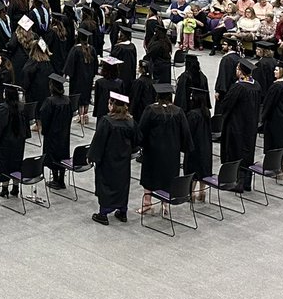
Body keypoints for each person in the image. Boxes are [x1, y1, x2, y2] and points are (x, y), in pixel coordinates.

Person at [137, 83, 191, 215]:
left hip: (153, 152)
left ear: (157, 96)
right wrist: (183, 147)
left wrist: (141, 144)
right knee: (168, 178)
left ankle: (147, 204)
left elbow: (142, 130)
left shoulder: (150, 110)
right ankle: (165, 204)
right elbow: (185, 132)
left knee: (149, 177)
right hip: (172, 153)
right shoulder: (178, 111)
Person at [88, 88, 139, 224]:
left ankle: (103, 214)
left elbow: (99, 141)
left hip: (108, 161)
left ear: (112, 105)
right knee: (122, 185)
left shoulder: (106, 121)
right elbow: (137, 140)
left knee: (106, 185)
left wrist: (92, 157)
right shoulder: (130, 121)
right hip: (123, 161)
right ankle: (122, 212)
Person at [219, 59, 260, 190]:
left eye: (237, 68)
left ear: (241, 71)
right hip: (251, 126)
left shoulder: (239, 87)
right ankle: (246, 182)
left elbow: (226, 105)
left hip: (237, 126)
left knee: (235, 152)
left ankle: (236, 183)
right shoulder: (256, 85)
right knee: (247, 152)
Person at [0, 85, 29, 199]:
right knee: (16, 162)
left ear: (6, 95)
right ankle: (15, 187)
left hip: (5, 142)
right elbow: (26, 127)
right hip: (18, 142)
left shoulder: (2, 109)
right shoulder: (22, 107)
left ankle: (5, 188)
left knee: (4, 164)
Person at [39, 75, 73, 190]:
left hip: (52, 134)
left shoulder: (50, 101)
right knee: (63, 154)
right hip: (64, 133)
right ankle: (61, 180)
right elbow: (70, 115)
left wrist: (45, 130)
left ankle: (55, 180)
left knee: (53, 156)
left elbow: (45, 116)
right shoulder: (67, 100)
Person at [183, 88, 212, 202]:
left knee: (192, 169)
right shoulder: (207, 112)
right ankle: (202, 192)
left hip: (195, 146)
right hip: (206, 145)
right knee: (203, 168)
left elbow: (188, 132)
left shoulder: (192, 114)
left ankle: (192, 194)